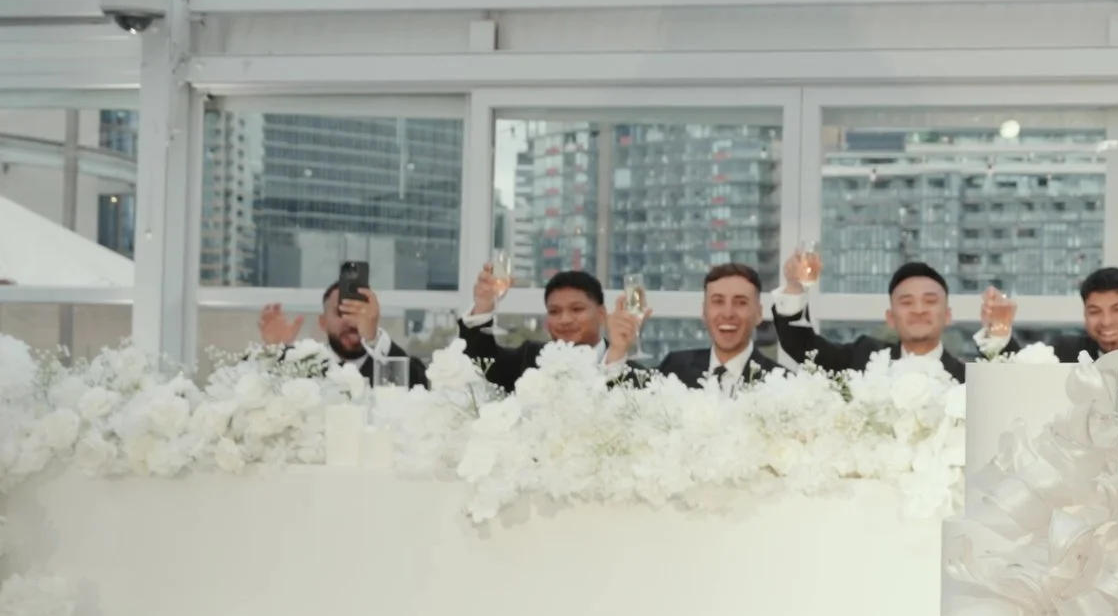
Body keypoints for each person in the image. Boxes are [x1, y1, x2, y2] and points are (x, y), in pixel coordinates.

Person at [771, 259, 1010, 383]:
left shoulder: (968, 380)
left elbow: (1010, 386)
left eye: (929, 301)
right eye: (906, 302)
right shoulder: (863, 358)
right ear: (890, 318)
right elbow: (801, 346)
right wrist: (794, 288)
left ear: (947, 315)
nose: (918, 310)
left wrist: (998, 331)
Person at [979, 266, 1118, 383]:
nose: (1106, 322)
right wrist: (998, 330)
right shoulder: (1063, 356)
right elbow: (1016, 376)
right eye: (1095, 311)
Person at [458, 266, 635, 392]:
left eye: (577, 309)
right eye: (554, 311)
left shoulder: (635, 375)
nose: (565, 320)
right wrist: (482, 308)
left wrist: (616, 354)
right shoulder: (528, 359)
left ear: (602, 314)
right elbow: (481, 364)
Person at [258, 282, 430, 389]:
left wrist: (373, 338)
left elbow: (413, 389)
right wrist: (273, 349)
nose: (351, 321)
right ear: (323, 322)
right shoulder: (299, 366)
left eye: (359, 312)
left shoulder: (403, 367)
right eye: (341, 312)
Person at [648, 263, 781, 391]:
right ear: (704, 311)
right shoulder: (675, 367)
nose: (728, 314)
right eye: (718, 301)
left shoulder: (780, 383)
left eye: (740, 303)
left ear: (758, 314)